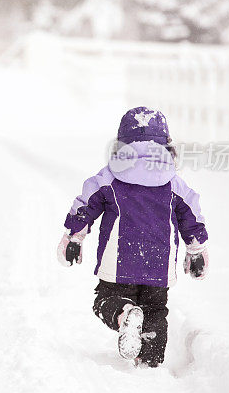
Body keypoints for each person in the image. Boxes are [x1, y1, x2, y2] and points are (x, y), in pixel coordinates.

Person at [56, 106, 209, 367]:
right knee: (155, 311)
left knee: (105, 300)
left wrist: (74, 238)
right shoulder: (174, 184)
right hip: (158, 265)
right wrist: (196, 251)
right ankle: (149, 362)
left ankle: (124, 313)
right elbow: (191, 216)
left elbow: (85, 206)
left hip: (119, 261)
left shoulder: (109, 178)